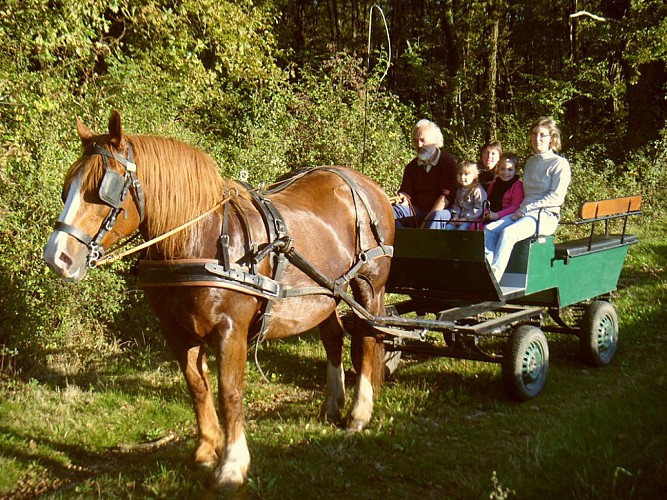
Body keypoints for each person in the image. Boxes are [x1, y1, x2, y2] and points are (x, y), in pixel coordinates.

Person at [484, 117, 571, 281]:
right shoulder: (531, 162)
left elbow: (556, 198)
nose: (537, 139)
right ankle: (486, 274)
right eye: (534, 134)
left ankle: (494, 278)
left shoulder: (559, 164)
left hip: (545, 215)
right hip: (522, 212)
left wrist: (526, 209)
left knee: (509, 233)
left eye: (542, 135)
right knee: (489, 230)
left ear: (551, 138)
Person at [392, 119, 458, 227]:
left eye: (423, 140)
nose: (419, 145)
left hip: (443, 211)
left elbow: (445, 198)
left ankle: (427, 243)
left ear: (435, 141)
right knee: (392, 212)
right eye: (415, 141)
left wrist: (425, 223)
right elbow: (405, 192)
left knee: (437, 216)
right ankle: (403, 243)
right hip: (418, 211)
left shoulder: (447, 162)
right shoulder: (412, 167)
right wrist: (403, 198)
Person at [424, 161, 487, 231]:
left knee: (461, 230)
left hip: (471, 220)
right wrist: (455, 216)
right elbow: (456, 205)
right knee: (448, 228)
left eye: (466, 174)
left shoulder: (477, 191)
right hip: (458, 219)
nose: (462, 177)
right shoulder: (459, 190)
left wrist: (466, 219)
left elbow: (479, 208)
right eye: (460, 174)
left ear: (474, 176)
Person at [472, 152, 524, 231]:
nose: (506, 173)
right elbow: (486, 201)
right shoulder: (494, 184)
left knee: (486, 229)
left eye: (510, 170)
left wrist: (497, 215)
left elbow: (515, 207)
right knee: (473, 226)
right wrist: (486, 212)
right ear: (498, 169)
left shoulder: (517, 185)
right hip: (491, 214)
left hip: (506, 216)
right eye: (502, 169)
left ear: (515, 170)